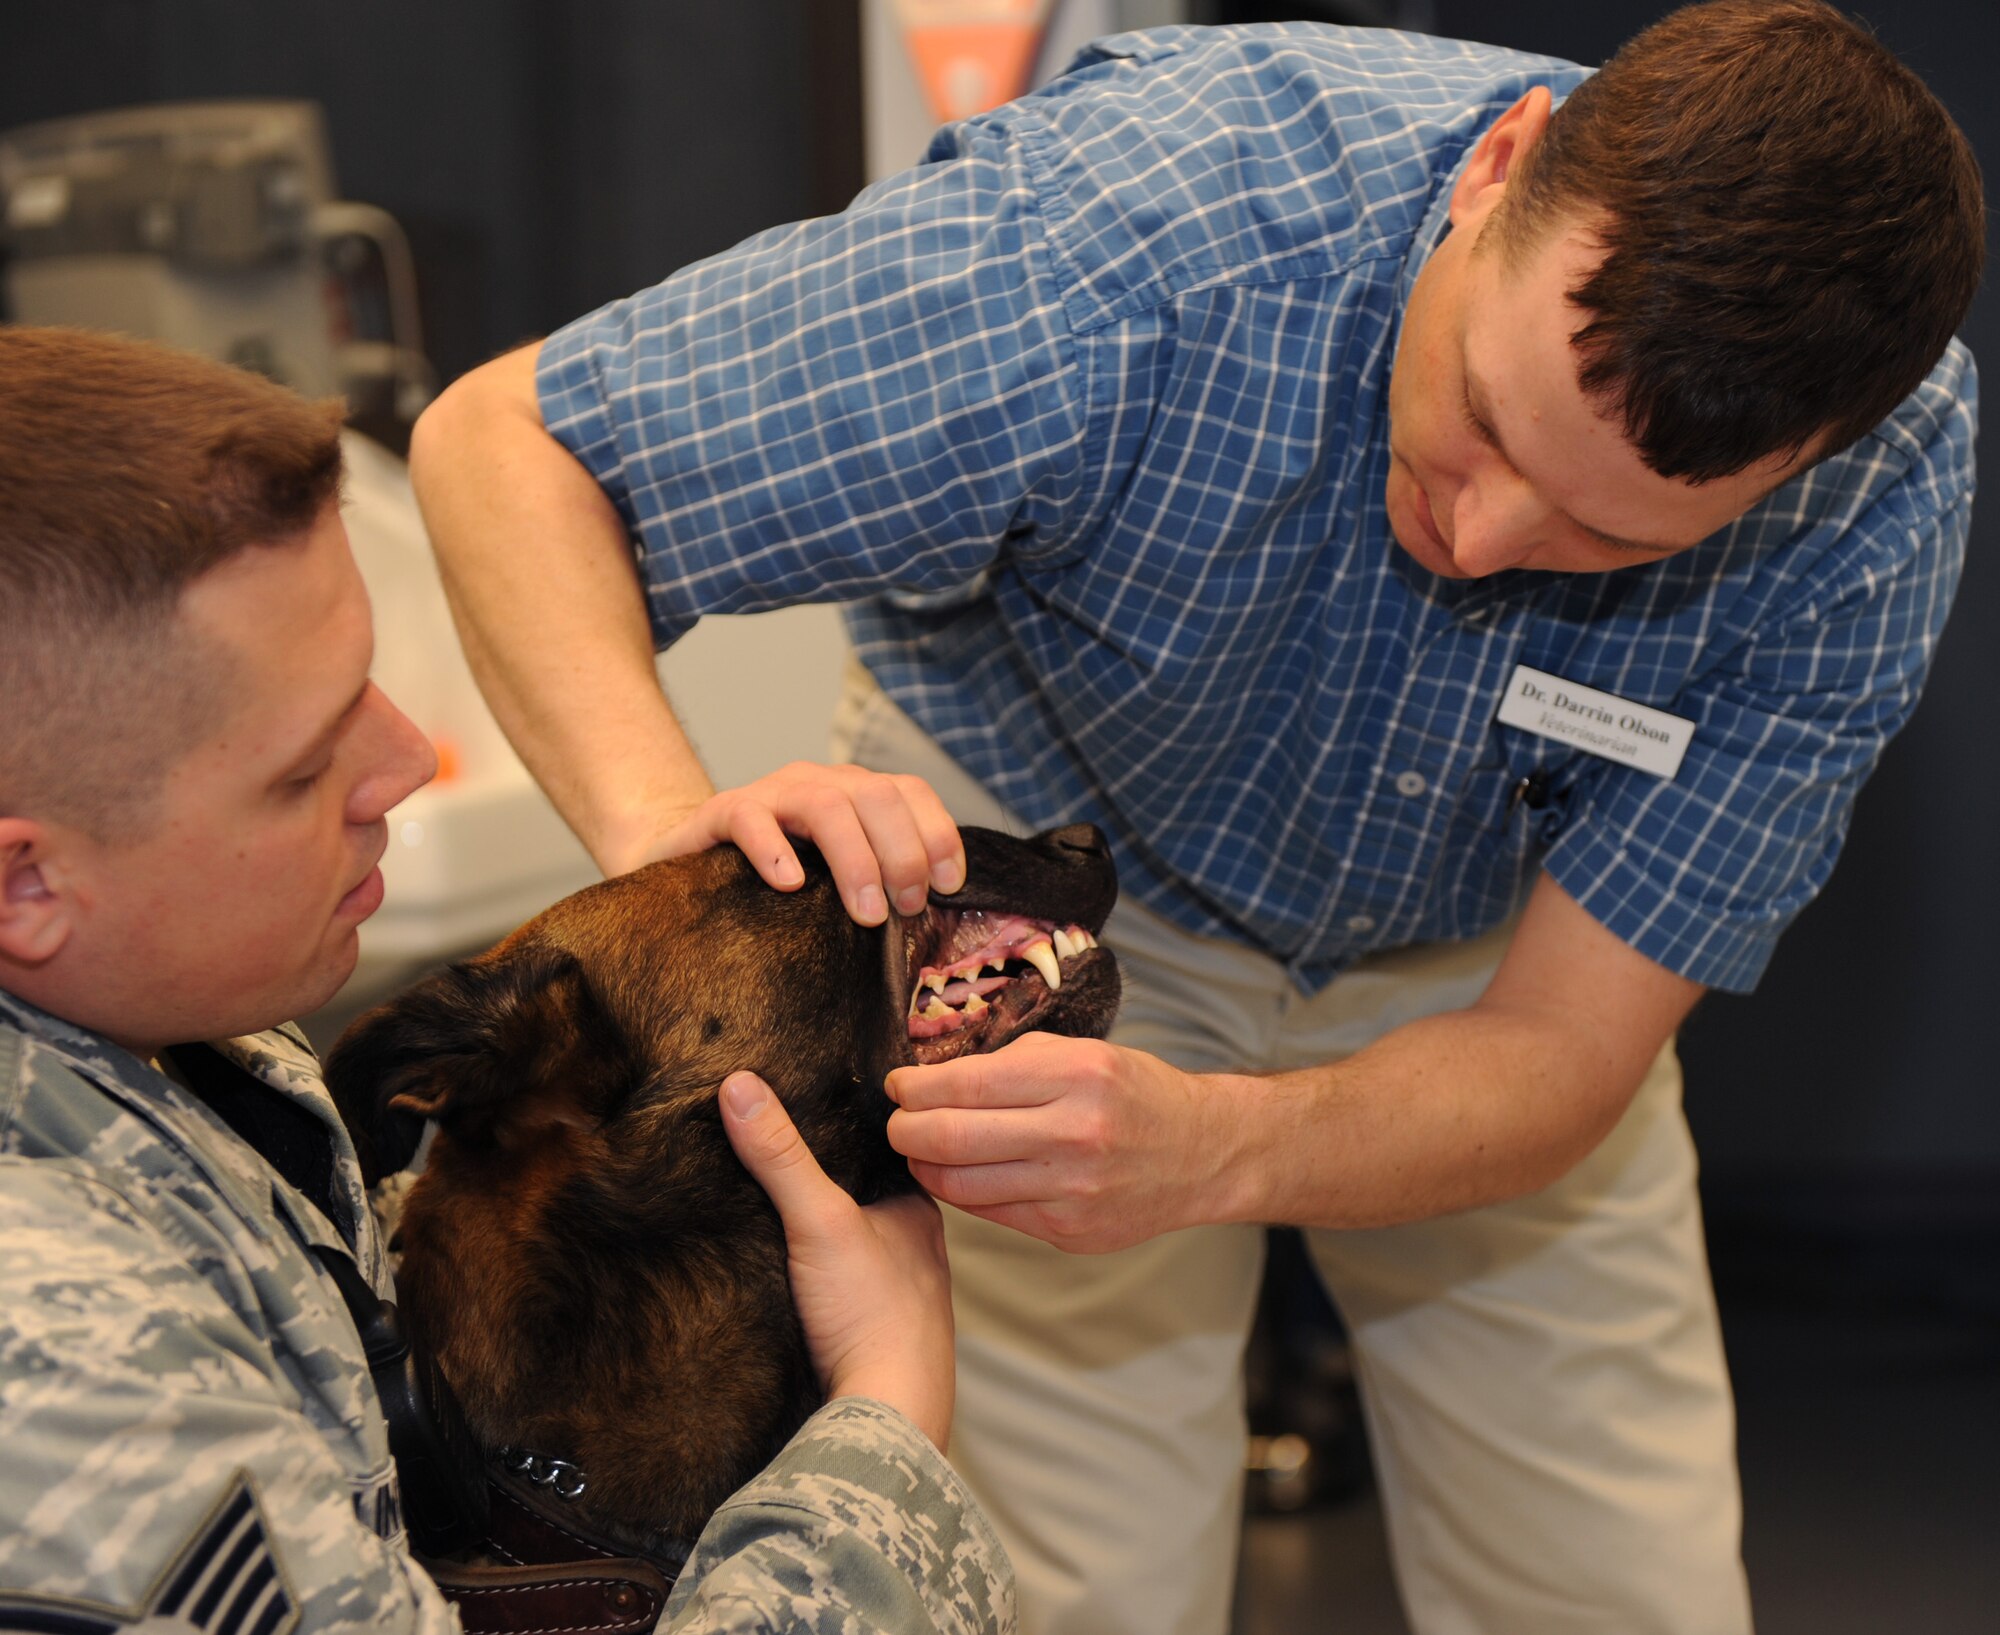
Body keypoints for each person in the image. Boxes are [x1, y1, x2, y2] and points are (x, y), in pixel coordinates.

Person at [405, 3, 1983, 1631]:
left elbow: (1564, 1054)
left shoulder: (1878, 497)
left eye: (1612, 537)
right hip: (1019, 880)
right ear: (1496, 169)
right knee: (1067, 1588)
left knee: (1615, 1585)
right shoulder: (1140, 234)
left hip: (1487, 955)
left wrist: (1224, 1144)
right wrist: (675, 844)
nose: (1487, 537)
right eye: (1487, 421)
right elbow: (509, 448)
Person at [0, 325, 1013, 1635]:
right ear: (28, 888)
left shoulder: (172, 1028)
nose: (407, 761)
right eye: (305, 768)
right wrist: (884, 1425)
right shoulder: (59, 1361)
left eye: (368, 683)